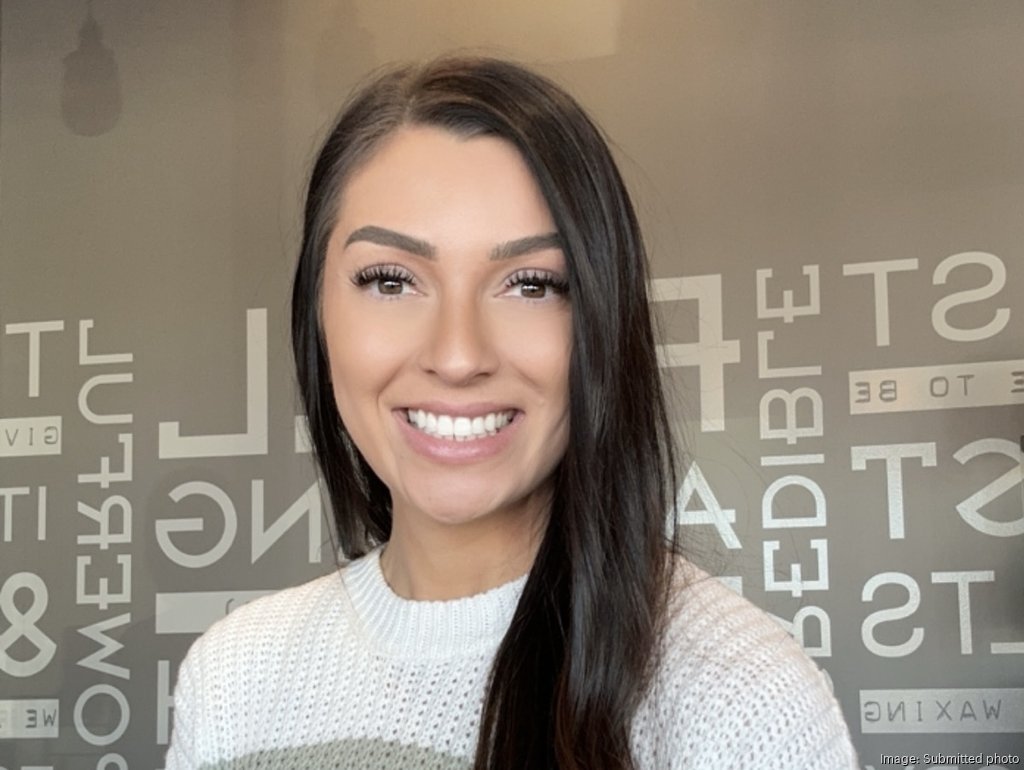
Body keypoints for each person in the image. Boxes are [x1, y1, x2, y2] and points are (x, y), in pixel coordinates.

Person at [165, 56, 858, 769]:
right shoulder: (232, 679)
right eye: (391, 281)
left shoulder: (741, 700)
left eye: (530, 285)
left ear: (601, 319)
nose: (457, 355)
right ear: (316, 313)